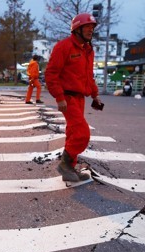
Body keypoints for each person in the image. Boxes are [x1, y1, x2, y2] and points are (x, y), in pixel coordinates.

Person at [45, 13, 103, 182]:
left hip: (80, 98)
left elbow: (88, 76)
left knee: (72, 132)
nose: (91, 30)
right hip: (68, 98)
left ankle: (70, 169)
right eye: (87, 27)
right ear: (77, 29)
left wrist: (95, 95)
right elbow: (51, 74)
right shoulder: (64, 46)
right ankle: (65, 164)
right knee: (82, 133)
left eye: (92, 28)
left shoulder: (88, 50)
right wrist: (59, 97)